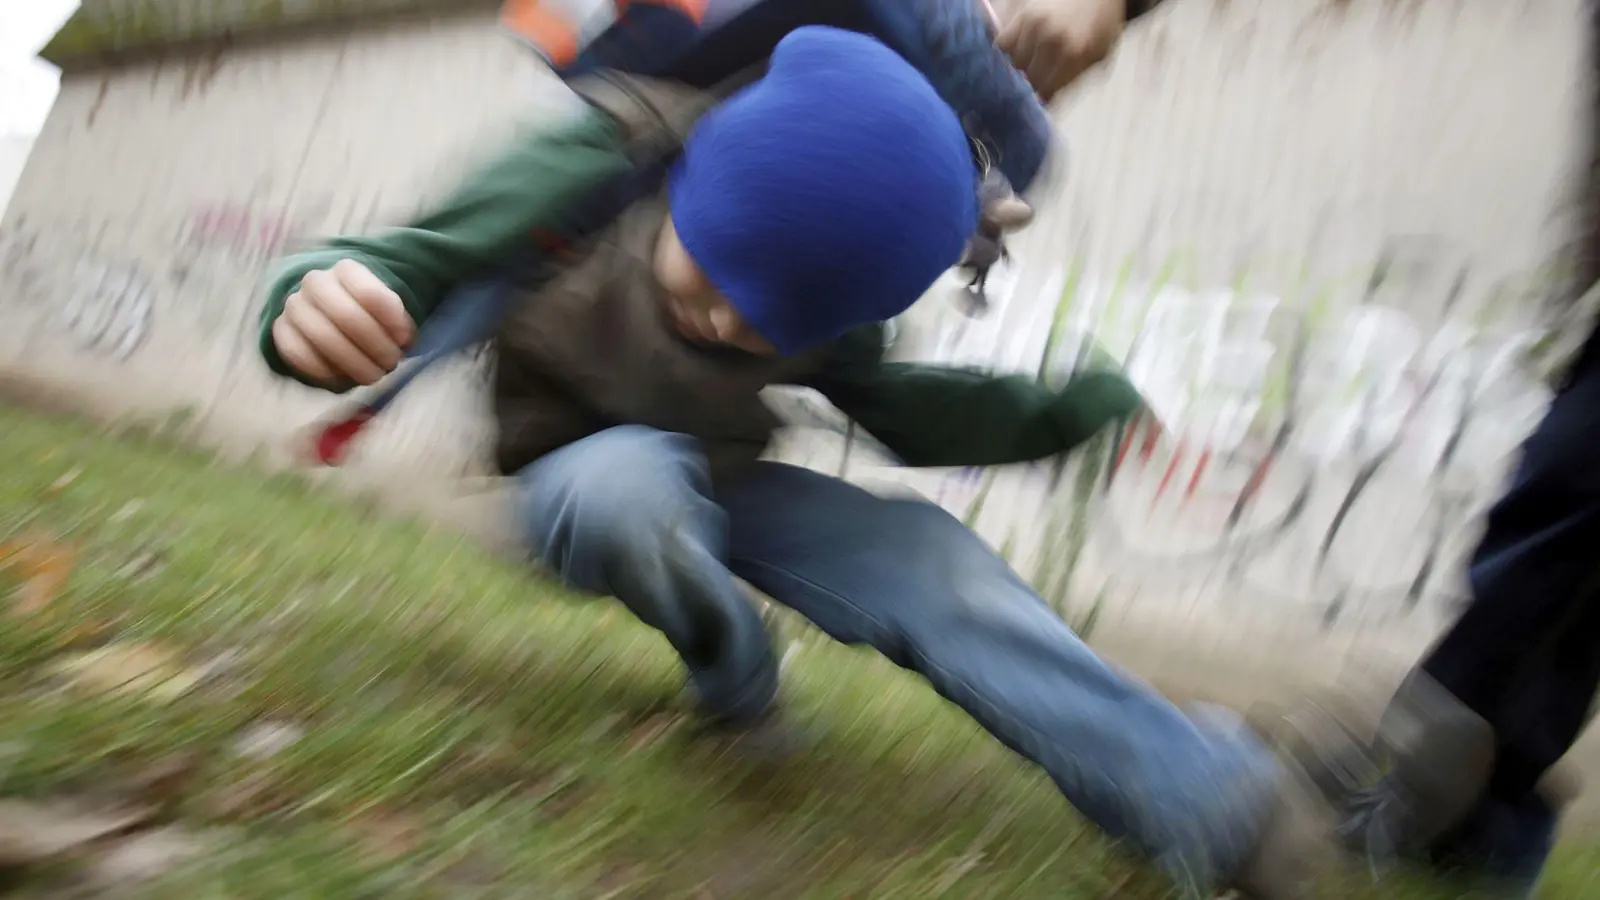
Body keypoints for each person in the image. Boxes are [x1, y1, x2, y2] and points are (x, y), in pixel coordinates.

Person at [258, 27, 1335, 899]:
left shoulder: (830, 296)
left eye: (774, 322)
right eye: (714, 270)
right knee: (633, 488)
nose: (727, 320)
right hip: (577, 467)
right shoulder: (604, 151)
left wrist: (1065, 412)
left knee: (927, 556)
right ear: (696, 180)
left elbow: (905, 414)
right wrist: (313, 299)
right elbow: (397, 259)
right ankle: (736, 679)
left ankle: (1205, 800)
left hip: (726, 479)